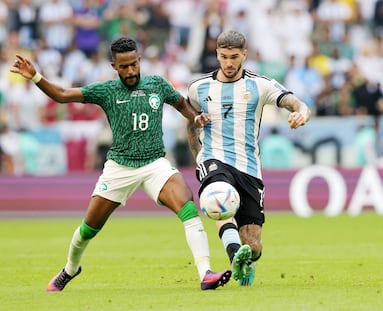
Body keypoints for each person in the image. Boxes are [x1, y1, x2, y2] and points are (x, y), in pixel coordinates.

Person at [10, 37, 231, 291]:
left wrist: (197, 117)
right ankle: (70, 269)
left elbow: (181, 104)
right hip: (120, 168)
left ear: (139, 61)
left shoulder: (157, 85)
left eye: (133, 64)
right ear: (114, 66)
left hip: (154, 164)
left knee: (188, 207)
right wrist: (36, 76)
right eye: (123, 66)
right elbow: (61, 95)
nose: (130, 71)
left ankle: (206, 274)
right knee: (88, 230)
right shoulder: (107, 91)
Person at [186, 30, 311, 286]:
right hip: (214, 158)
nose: (229, 63)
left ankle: (247, 258)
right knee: (217, 197)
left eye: (234, 57)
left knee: (253, 244)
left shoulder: (260, 85)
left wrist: (302, 113)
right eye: (223, 57)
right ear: (217, 55)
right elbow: (190, 125)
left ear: (244, 54)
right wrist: (197, 156)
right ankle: (234, 258)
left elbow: (295, 103)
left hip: (249, 168)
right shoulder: (199, 88)